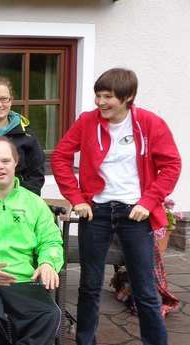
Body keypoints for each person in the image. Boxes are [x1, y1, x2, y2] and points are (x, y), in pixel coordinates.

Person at [51, 68, 181, 345]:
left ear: (128, 97)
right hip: (96, 213)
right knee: (89, 286)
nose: (100, 102)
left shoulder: (149, 123)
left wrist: (148, 202)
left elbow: (171, 165)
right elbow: (60, 156)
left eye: (108, 96)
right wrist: (76, 198)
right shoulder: (87, 122)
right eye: (98, 95)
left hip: (134, 215)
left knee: (144, 289)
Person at [0, 136, 63, 345]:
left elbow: (51, 240)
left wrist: (47, 262)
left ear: (16, 163)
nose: (0, 167)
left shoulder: (33, 202)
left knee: (49, 314)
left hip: (23, 280)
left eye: (6, 161)